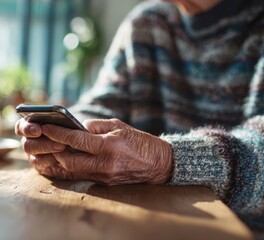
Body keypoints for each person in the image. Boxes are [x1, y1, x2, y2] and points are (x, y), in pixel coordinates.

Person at [16, 0, 264, 237]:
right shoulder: (146, 23)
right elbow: (102, 105)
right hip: (146, 226)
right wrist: (62, 136)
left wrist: (165, 158)